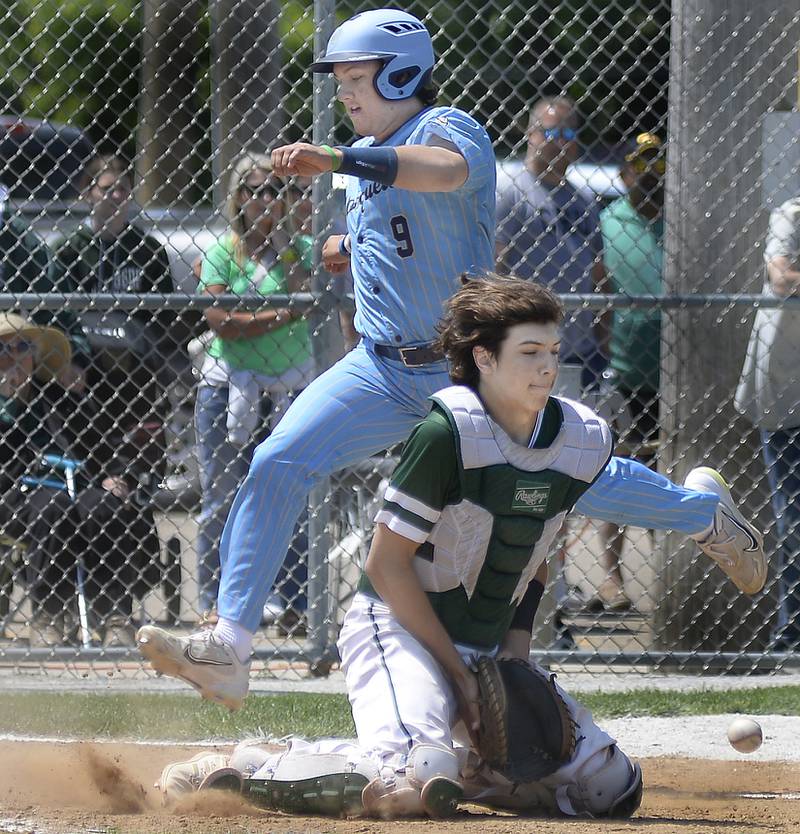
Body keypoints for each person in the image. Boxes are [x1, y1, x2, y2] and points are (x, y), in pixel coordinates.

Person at [137, 8, 765, 711]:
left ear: (402, 72)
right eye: (340, 80)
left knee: (568, 474)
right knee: (276, 461)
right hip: (378, 369)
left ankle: (703, 516)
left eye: (355, 78)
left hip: (460, 370)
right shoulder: (364, 156)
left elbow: (439, 176)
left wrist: (341, 159)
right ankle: (230, 648)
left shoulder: (446, 129)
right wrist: (347, 247)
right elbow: (398, 229)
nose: (343, 93)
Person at [149, 275, 644, 821]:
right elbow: (385, 566)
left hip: (482, 647)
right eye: (528, 353)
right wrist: (459, 676)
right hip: (398, 628)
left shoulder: (573, 439)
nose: (547, 367)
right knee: (417, 775)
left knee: (609, 788)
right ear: (484, 357)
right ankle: (249, 767)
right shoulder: (447, 433)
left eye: (551, 351)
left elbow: (532, 560)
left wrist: (511, 664)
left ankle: (468, 772)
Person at [49, 153, 171, 644]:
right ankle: (61, 612)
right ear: (87, 194)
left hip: (134, 388)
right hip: (80, 388)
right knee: (77, 499)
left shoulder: (149, 251)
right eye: (105, 188)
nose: (115, 196)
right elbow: (54, 322)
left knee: (122, 500)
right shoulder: (71, 252)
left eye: (122, 188)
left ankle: (117, 612)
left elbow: (165, 329)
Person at [192, 151, 314, 625]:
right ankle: (213, 601)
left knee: (288, 497)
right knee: (221, 497)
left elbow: (306, 292)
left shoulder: (298, 249)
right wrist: (282, 314)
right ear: (238, 197)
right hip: (229, 389)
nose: (265, 199)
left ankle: (293, 602)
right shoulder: (223, 252)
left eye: (274, 191)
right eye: (255, 190)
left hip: (290, 388)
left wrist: (283, 246)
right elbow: (222, 323)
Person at [0, 313, 160, 647]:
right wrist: (10, 406)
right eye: (4, 348)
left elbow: (102, 444)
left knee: (103, 505)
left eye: (23, 346)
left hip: (76, 481)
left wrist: (118, 476)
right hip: (16, 493)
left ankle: (113, 613)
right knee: (52, 508)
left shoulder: (57, 397)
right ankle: (49, 615)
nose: (14, 355)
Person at [561, 132, 666, 615]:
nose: (649, 177)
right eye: (640, 168)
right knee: (619, 468)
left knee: (671, 473)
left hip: (675, 373)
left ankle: (669, 578)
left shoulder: (680, 220)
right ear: (625, 174)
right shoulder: (608, 220)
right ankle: (612, 579)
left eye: (657, 167)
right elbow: (599, 281)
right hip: (623, 369)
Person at [495, 95, 609, 390]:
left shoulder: (583, 200)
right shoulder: (508, 189)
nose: (560, 142)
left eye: (568, 134)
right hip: (526, 346)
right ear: (530, 134)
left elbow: (599, 273)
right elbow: (494, 267)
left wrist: (604, 339)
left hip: (580, 350)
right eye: (551, 132)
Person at [735, 193, 800, 650]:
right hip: (786, 389)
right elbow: (781, 277)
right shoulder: (792, 214)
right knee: (793, 517)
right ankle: (791, 633)